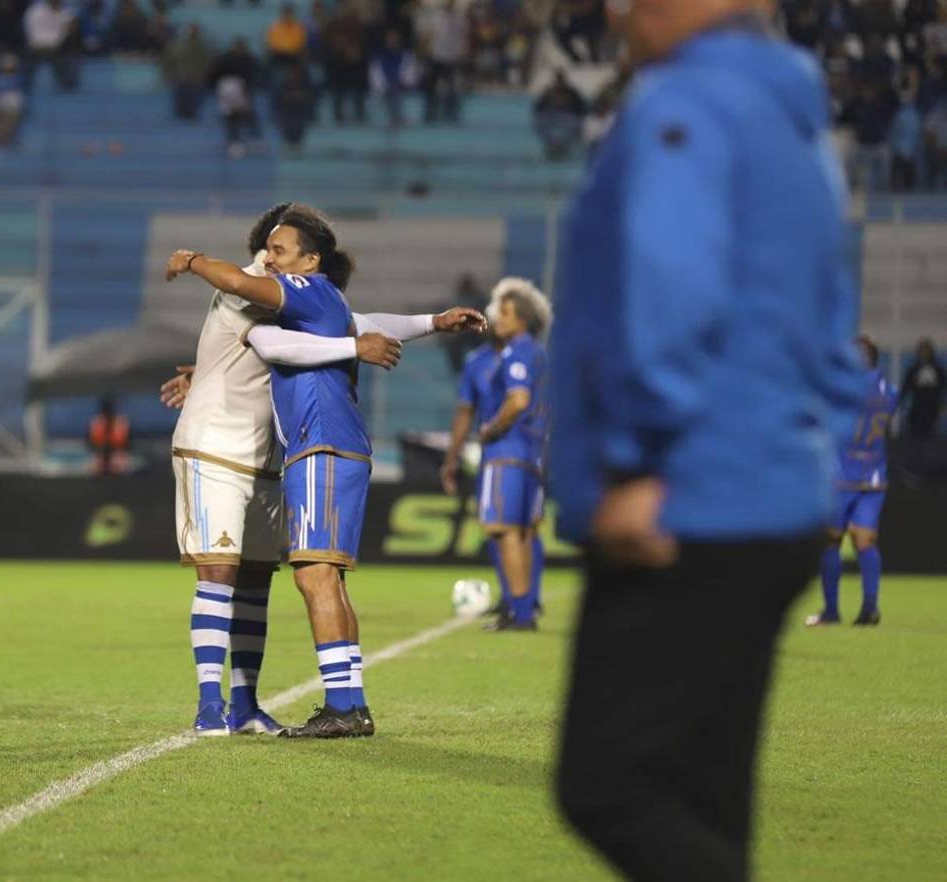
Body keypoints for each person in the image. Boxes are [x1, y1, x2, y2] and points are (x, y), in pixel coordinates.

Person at [549, 3, 866, 881]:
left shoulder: (684, 102)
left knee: (612, 787)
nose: (614, 12)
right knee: (703, 804)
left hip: (688, 497)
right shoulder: (794, 118)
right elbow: (831, 318)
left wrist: (639, 462)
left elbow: (666, 286)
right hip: (772, 488)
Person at [162, 205, 484, 739]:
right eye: (266, 248)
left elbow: (356, 326)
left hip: (285, 452)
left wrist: (427, 323)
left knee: (280, 579)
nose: (270, 255)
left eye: (280, 248)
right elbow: (275, 340)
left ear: (309, 263)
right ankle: (211, 704)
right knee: (230, 572)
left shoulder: (301, 296)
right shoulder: (257, 289)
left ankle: (272, 705)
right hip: (217, 445)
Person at [442, 277, 551, 628]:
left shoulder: (516, 352)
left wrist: (491, 429)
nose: (498, 319)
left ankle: (520, 610)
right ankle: (523, 604)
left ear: (523, 318)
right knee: (523, 530)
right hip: (533, 453)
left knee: (504, 530)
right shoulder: (535, 353)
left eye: (506, 313)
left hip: (506, 451)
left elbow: (516, 400)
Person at [808, 337, 897, 628]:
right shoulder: (889, 390)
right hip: (873, 475)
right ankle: (870, 608)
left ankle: (831, 612)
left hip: (840, 473)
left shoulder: (841, 388)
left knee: (831, 541)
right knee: (866, 542)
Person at [418, 0, 468, 124]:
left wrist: (462, 51)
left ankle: (451, 115)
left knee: (452, 88)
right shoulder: (436, 17)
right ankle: (430, 114)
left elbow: (464, 36)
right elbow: (428, 35)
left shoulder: (460, 18)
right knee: (431, 88)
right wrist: (424, 50)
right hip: (436, 56)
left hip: (452, 57)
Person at [160, 24, 214, 120]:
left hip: (196, 80)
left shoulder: (205, 47)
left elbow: (210, 64)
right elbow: (168, 62)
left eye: (195, 32)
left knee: (193, 106)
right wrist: (169, 75)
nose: (193, 34)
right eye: (192, 31)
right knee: (182, 106)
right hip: (182, 79)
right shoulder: (178, 46)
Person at [24, 0, 80, 92]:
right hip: (37, 46)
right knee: (29, 54)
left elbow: (68, 32)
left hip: (57, 47)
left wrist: (56, 44)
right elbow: (32, 33)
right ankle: (25, 84)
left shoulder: (67, 13)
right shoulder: (35, 11)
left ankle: (66, 84)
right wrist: (45, 44)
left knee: (68, 53)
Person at [900, 338, 945, 437]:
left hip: (933, 409)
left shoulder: (938, 369)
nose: (924, 353)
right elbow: (905, 388)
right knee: (915, 435)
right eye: (923, 350)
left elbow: (943, 387)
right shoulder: (914, 369)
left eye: (927, 350)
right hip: (917, 408)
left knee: (931, 435)